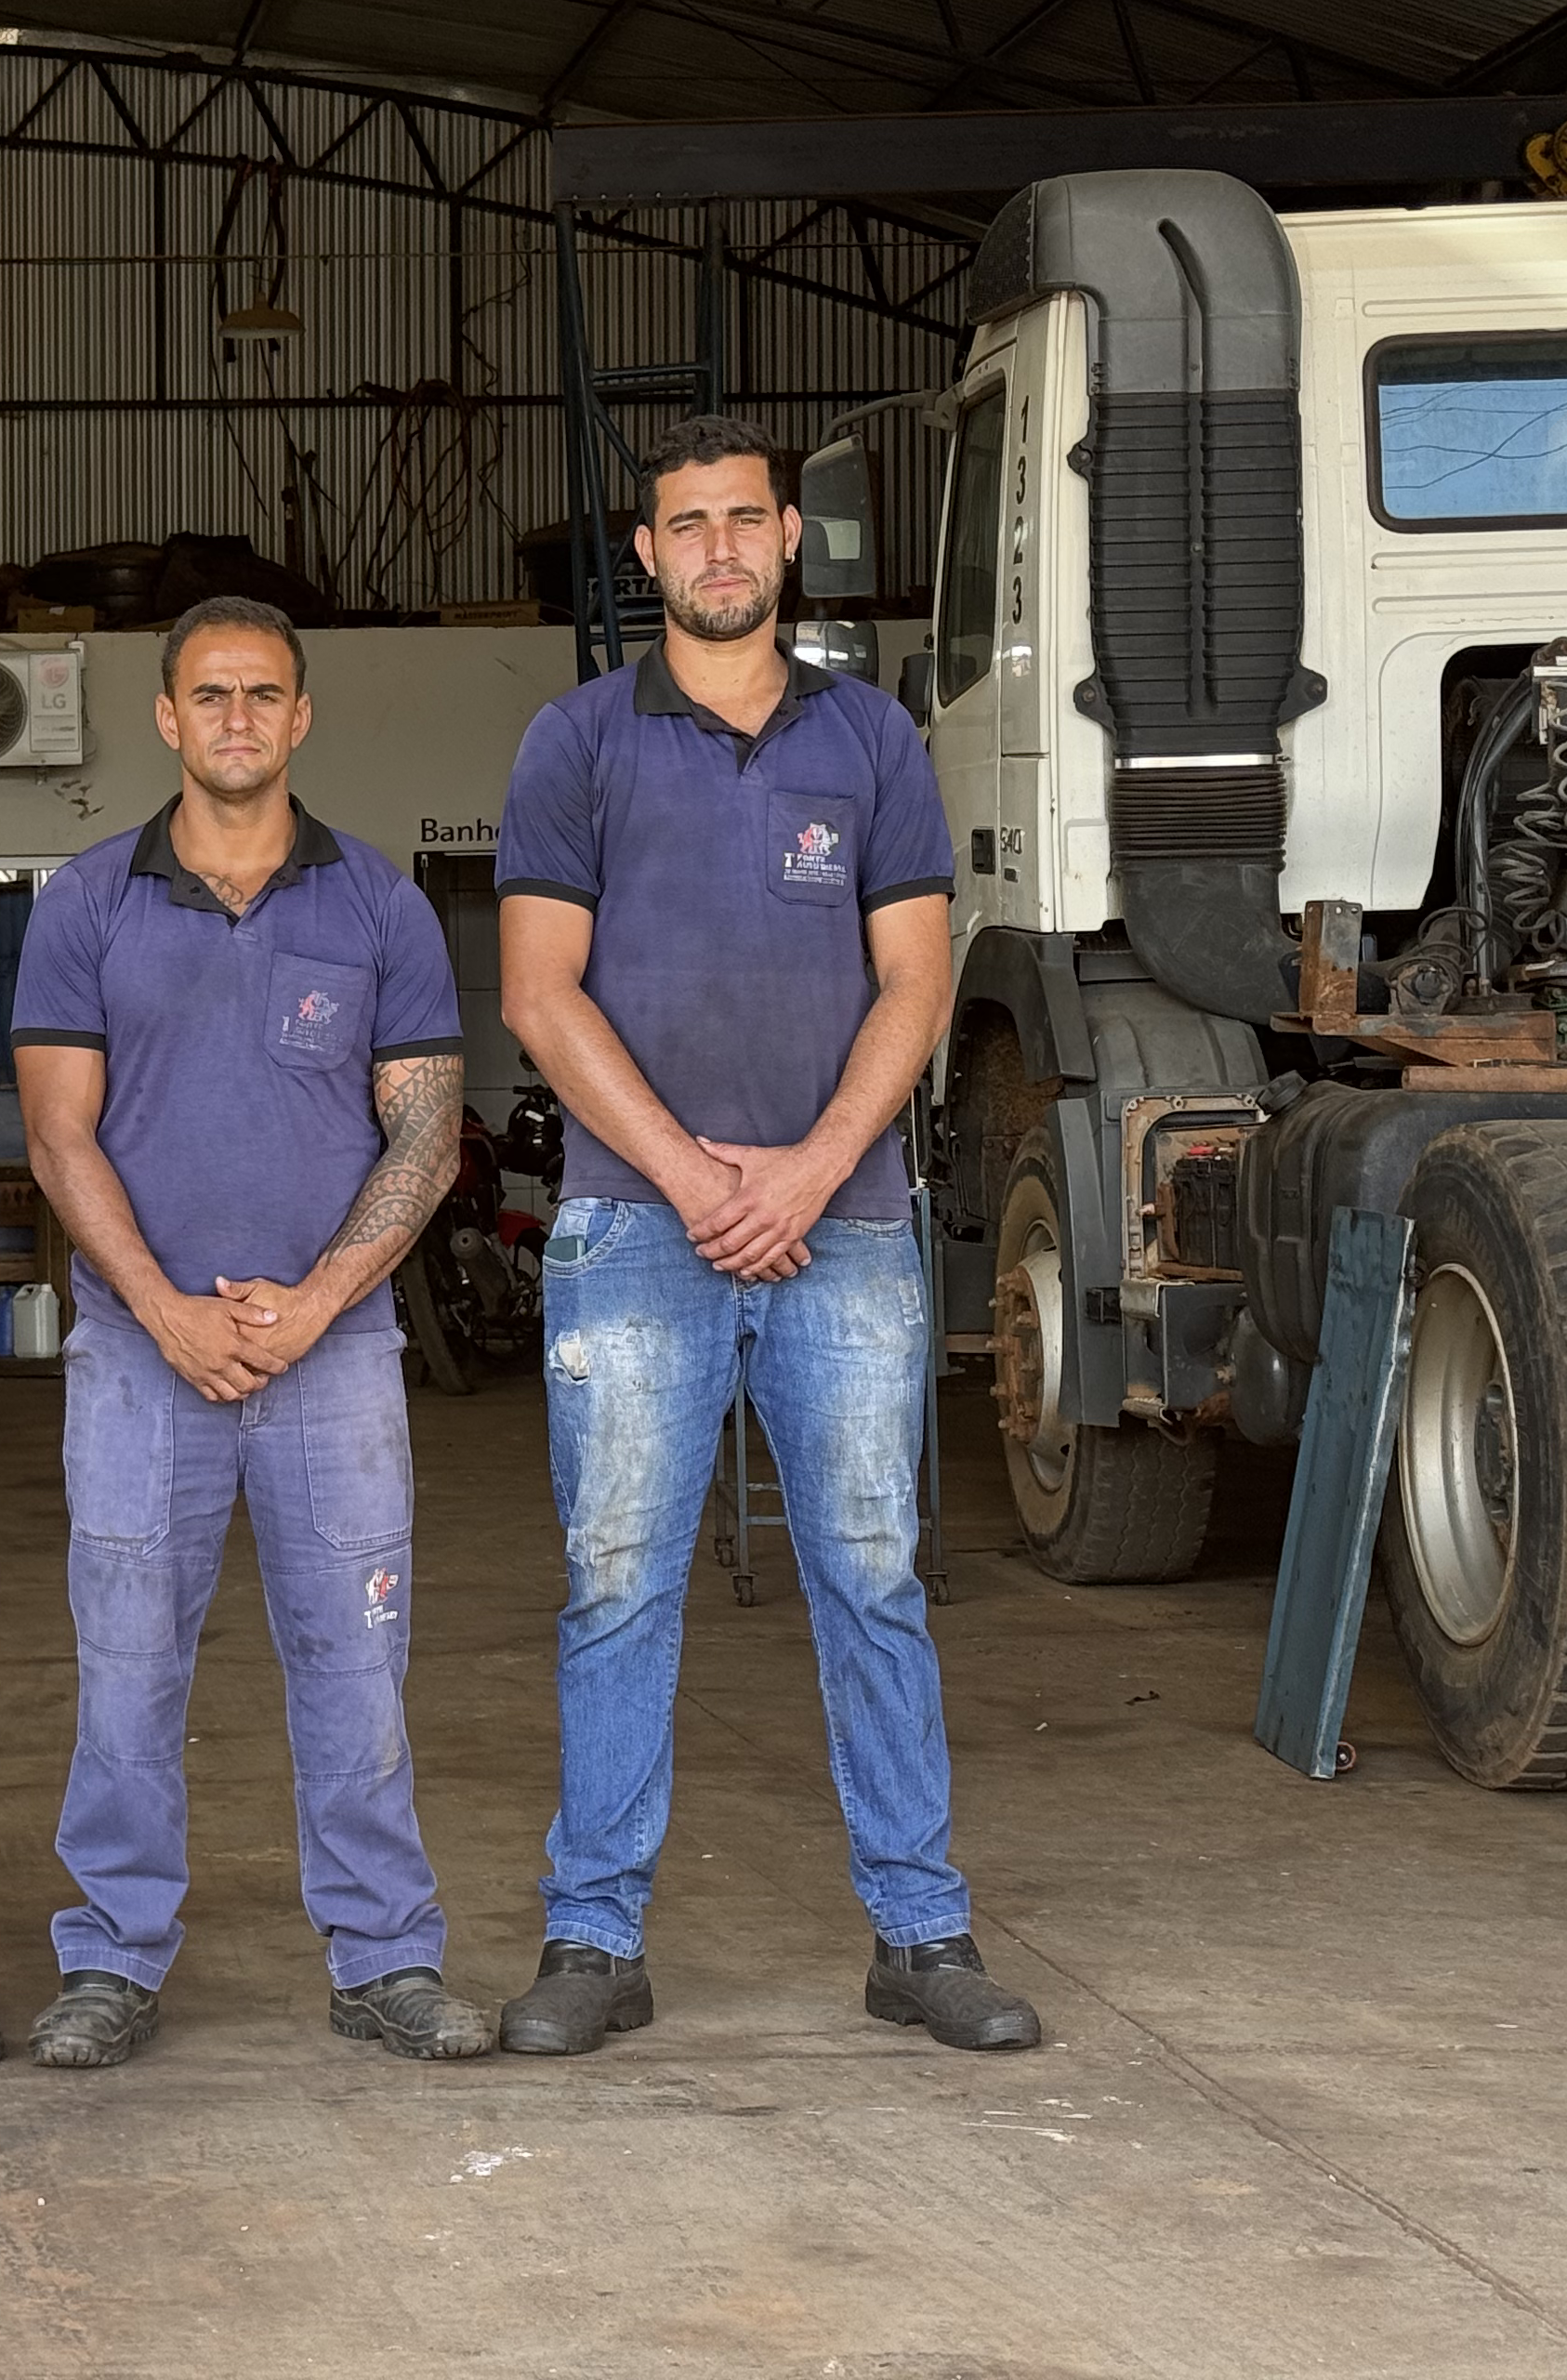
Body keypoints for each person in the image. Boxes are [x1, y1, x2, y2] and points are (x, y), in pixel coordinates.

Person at [492, 415, 1041, 2058]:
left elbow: (918, 984)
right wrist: (698, 1181)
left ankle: (921, 1934)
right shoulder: (575, 742)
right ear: (644, 553)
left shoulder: (871, 740)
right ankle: (594, 1943)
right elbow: (539, 995)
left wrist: (805, 1173)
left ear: (791, 537)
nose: (719, 547)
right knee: (614, 1585)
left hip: (842, 1227)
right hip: (632, 1228)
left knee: (872, 1575)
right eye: (687, 524)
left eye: (745, 518)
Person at [9, 598, 494, 2071]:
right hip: (140, 1355)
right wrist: (165, 1309)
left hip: (330, 1355)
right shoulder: (87, 902)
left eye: (263, 695)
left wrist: (320, 1301)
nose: (236, 719)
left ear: (302, 717)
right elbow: (57, 1133)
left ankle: (385, 1958)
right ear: (167, 717)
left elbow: (426, 1133)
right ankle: (111, 1958)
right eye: (209, 695)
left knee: (355, 1659)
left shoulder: (379, 906)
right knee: (127, 1665)